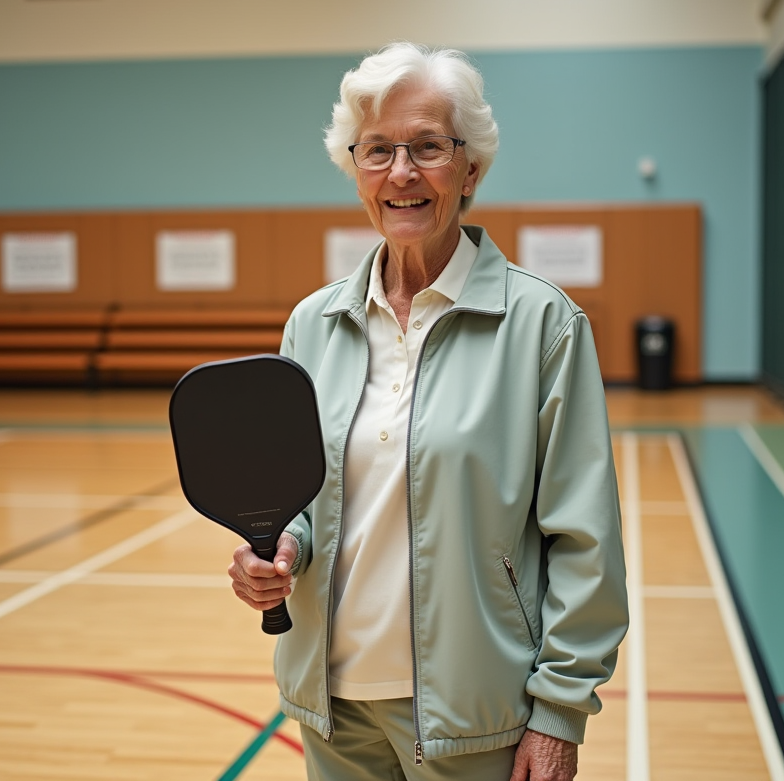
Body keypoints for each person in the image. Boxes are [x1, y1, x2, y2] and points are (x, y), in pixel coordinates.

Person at [228, 42, 628, 781]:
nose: (402, 173)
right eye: (377, 150)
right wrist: (280, 551)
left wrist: (560, 709)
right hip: (333, 706)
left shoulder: (543, 324)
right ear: (355, 172)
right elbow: (304, 502)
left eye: (428, 147)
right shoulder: (312, 325)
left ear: (470, 167)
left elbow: (586, 535)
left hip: (474, 716)